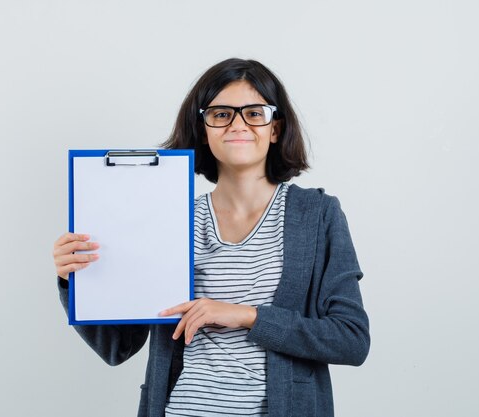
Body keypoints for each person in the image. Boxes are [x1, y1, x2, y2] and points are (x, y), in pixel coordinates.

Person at [52, 58, 370, 417]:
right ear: (203, 128)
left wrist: (248, 316)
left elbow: (350, 339)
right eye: (220, 114)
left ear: (275, 128)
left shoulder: (317, 215)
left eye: (254, 113)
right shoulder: (170, 216)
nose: (237, 124)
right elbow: (117, 347)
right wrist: (74, 278)